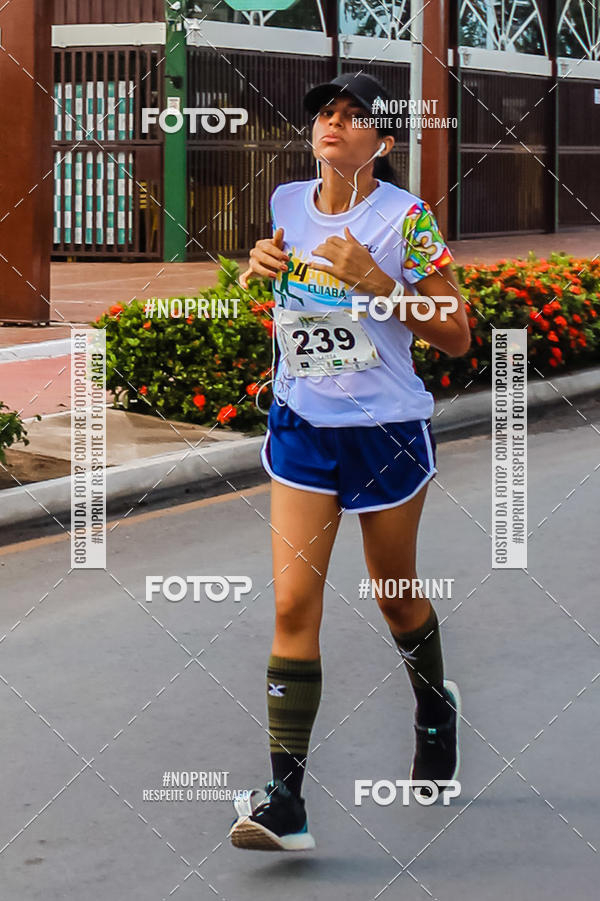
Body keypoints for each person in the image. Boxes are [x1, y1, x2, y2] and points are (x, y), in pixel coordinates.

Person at [228, 73, 470, 852]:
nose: (333, 123)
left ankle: (435, 710)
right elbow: (291, 302)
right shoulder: (288, 203)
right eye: (325, 113)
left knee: (395, 596)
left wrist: (381, 285)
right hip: (304, 425)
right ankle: (285, 802)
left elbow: (459, 332)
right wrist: (255, 269)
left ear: (385, 141)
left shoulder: (408, 219)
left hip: (386, 430)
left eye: (353, 116)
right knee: (295, 607)